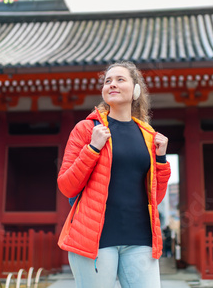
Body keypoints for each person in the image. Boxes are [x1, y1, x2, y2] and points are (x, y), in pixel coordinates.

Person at [57, 61, 171, 288]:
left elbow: (155, 198)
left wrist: (160, 160)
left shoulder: (149, 136)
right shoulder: (86, 129)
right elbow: (67, 186)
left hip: (141, 240)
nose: (113, 84)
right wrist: (93, 148)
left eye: (120, 79)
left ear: (135, 89)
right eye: (108, 81)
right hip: (95, 240)